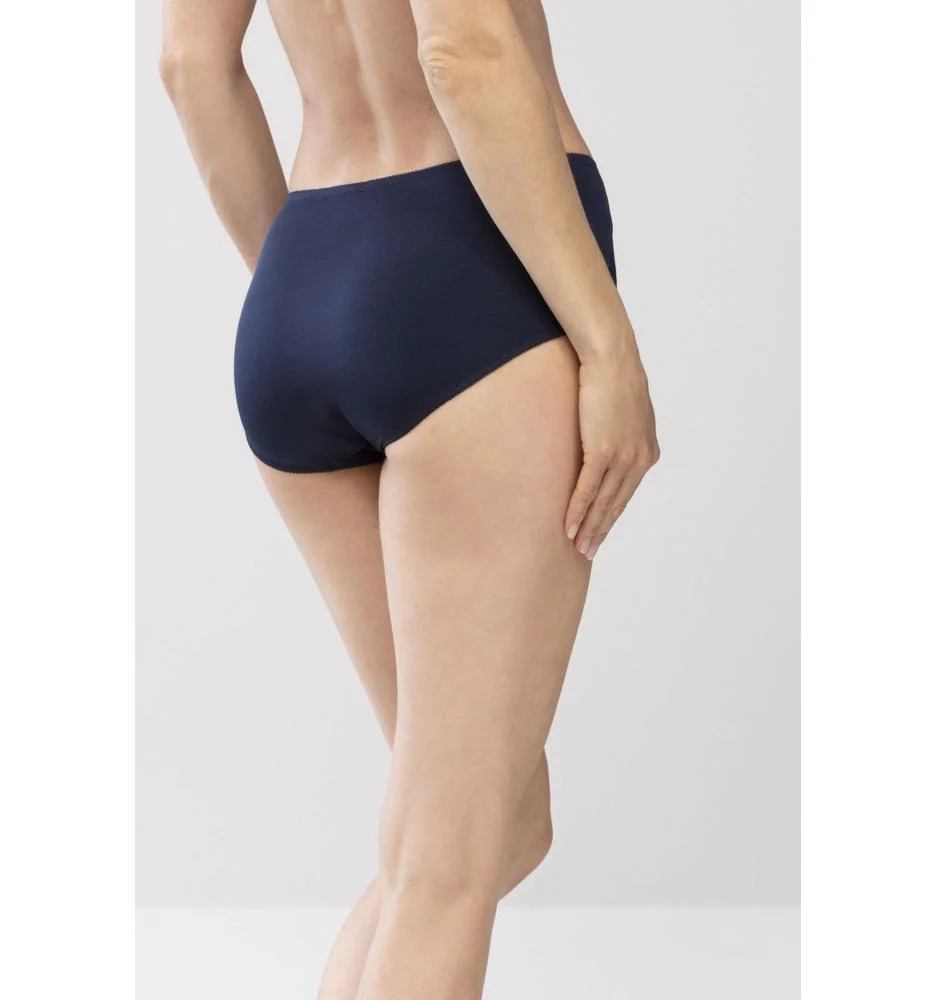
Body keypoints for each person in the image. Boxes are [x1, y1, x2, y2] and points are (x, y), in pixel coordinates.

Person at [160, 0, 659, 996]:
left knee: (499, 823)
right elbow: (461, 44)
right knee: (450, 863)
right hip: (471, 277)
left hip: (303, 281)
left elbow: (190, 65)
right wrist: (606, 342)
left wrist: (324, 294)